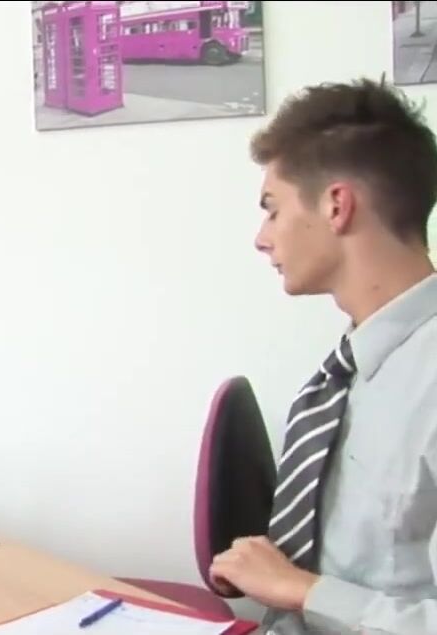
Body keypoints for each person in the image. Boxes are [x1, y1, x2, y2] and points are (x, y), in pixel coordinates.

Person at [208, 77, 437, 634]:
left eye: (272, 210)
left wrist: (300, 590)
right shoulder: (356, 366)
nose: (262, 238)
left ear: (337, 205)